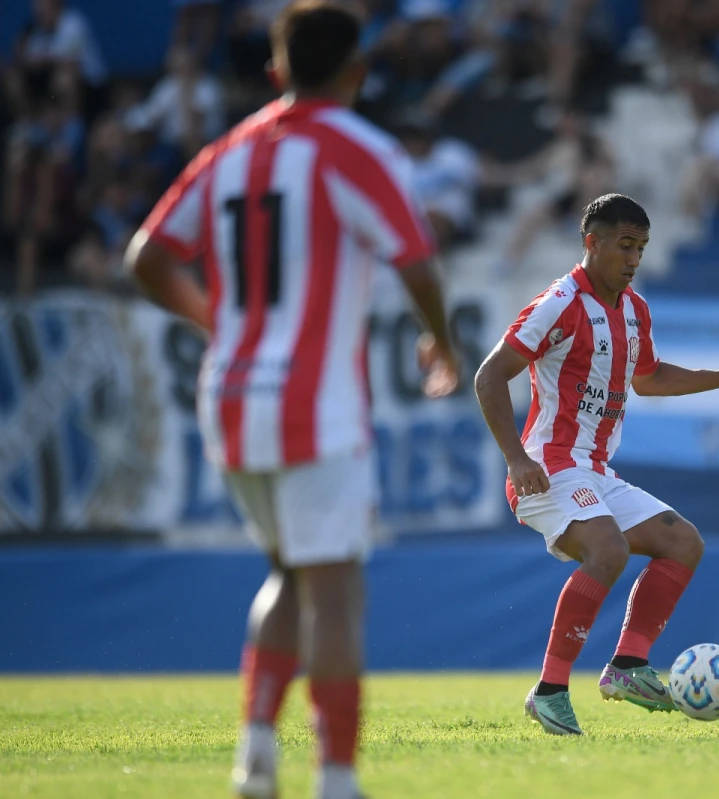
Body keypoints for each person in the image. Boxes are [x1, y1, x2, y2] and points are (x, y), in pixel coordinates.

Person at [124, 3, 460, 798]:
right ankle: (337, 779)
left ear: (275, 71)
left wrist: (221, 322)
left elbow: (147, 257)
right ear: (358, 70)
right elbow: (415, 258)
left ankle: (256, 757)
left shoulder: (228, 151)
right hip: (316, 397)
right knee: (337, 588)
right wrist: (441, 341)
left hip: (232, 391)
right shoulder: (361, 147)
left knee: (288, 571)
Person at [473, 193, 719, 736]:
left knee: (683, 542)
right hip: (548, 467)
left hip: (594, 471)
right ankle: (549, 691)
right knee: (608, 549)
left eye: (641, 247)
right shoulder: (560, 303)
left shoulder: (633, 309)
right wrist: (514, 458)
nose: (634, 258)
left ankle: (627, 666)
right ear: (591, 243)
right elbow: (489, 375)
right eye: (625, 245)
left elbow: (648, 378)